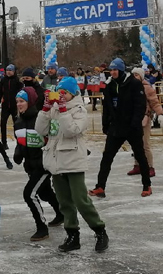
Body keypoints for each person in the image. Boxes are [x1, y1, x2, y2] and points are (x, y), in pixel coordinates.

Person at [37, 79, 109, 253]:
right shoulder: (53, 110)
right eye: (58, 91)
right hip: (55, 161)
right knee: (64, 202)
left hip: (72, 160)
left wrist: (62, 110)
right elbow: (40, 130)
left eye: (64, 92)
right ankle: (72, 235)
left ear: (73, 93)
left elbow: (71, 131)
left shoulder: (79, 111)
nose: (61, 95)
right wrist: (46, 109)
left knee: (80, 200)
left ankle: (99, 230)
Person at [91, 59, 152, 199]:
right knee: (107, 156)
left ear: (121, 70)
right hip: (116, 126)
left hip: (132, 126)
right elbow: (106, 106)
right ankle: (100, 186)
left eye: (115, 70)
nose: (113, 72)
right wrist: (105, 124)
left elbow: (140, 105)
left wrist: (135, 123)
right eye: (111, 70)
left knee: (140, 155)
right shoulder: (109, 85)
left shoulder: (134, 83)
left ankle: (146, 185)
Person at [13, 87, 63, 241]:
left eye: (22, 101)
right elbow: (21, 141)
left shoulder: (40, 119)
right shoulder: (19, 120)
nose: (19, 104)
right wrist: (18, 153)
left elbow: (52, 138)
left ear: (30, 102)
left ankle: (42, 228)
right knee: (44, 192)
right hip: (30, 164)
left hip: (43, 164)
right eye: (17, 102)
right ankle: (61, 213)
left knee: (29, 194)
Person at [129, 68, 162, 178]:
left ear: (141, 76)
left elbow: (154, 100)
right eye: (133, 75)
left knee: (145, 143)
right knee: (135, 143)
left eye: (137, 75)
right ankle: (137, 165)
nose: (135, 77)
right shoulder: (130, 87)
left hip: (144, 118)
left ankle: (150, 166)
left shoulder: (147, 88)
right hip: (133, 118)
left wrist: (159, 110)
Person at [0, 64, 23, 153]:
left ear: (14, 71)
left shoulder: (17, 81)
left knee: (16, 124)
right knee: (3, 123)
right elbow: (0, 93)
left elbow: (21, 92)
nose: (8, 72)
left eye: (10, 70)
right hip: (5, 105)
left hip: (14, 106)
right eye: (7, 70)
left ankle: (18, 142)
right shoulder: (3, 80)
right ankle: (4, 142)